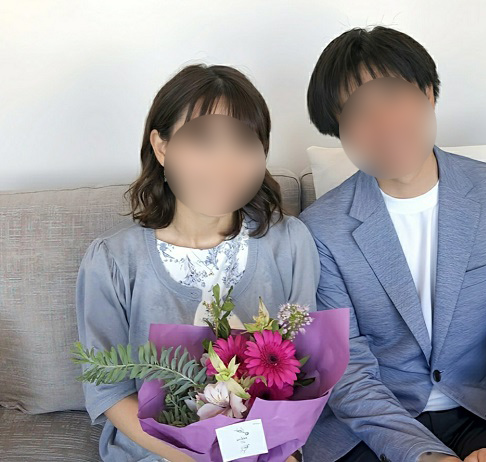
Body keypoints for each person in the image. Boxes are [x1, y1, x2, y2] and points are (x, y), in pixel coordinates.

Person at [299, 26, 486, 462]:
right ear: (339, 132)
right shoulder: (320, 229)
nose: (383, 123)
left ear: (428, 93)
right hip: (378, 425)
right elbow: (347, 369)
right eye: (356, 111)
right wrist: (423, 455)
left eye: (393, 95)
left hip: (484, 410)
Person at [75, 64, 318, 462]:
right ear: (161, 146)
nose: (225, 162)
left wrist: (280, 453)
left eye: (243, 142)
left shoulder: (289, 243)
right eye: (202, 140)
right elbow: (109, 391)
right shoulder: (113, 262)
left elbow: (303, 372)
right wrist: (198, 458)